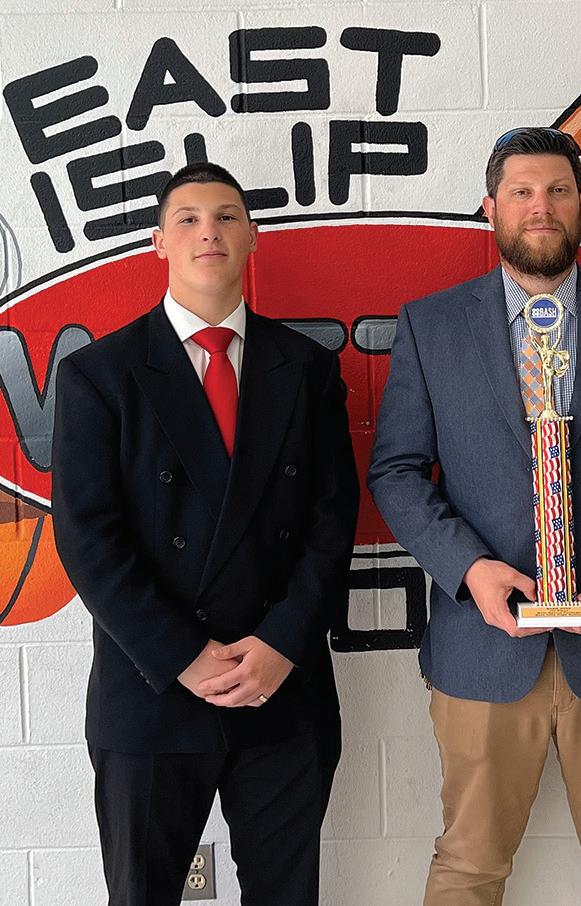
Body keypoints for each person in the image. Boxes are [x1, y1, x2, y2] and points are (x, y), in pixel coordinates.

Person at [368, 127, 581, 905]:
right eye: (522, 191)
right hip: (483, 647)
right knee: (468, 865)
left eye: (558, 190)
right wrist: (469, 570)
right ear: (490, 207)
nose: (541, 206)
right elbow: (396, 472)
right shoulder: (431, 326)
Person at [52, 162, 359, 906]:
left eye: (226, 216)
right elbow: (88, 540)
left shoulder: (307, 370)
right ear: (158, 242)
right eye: (187, 219)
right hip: (152, 689)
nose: (208, 231)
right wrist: (182, 657)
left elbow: (331, 523)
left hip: (281, 687)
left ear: (253, 237)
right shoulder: (100, 373)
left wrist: (282, 643)